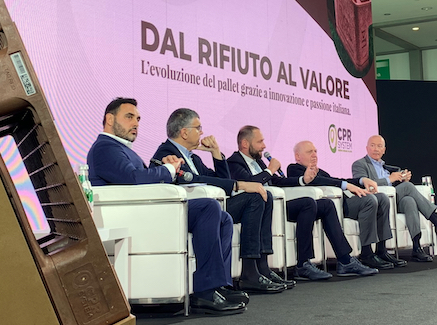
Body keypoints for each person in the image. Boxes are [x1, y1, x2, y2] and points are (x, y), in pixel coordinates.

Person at [87, 98, 245, 315]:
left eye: (138, 118)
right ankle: (205, 291)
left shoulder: (121, 148)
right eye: (129, 117)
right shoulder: (105, 148)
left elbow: (139, 179)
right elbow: (133, 178)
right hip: (134, 215)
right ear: (110, 119)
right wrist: (168, 170)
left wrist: (165, 169)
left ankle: (218, 285)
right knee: (208, 208)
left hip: (147, 210)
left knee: (223, 218)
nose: (136, 123)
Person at [151, 108, 291, 293]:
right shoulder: (167, 153)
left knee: (265, 196)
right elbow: (193, 179)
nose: (202, 132)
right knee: (255, 197)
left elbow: (221, 179)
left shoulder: (193, 157)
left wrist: (216, 153)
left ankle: (261, 266)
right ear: (184, 132)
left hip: (213, 206)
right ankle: (249, 273)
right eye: (198, 128)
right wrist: (239, 185)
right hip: (195, 210)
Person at [227, 125, 378, 280]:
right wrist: (270, 170)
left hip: (276, 204)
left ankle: (345, 260)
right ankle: (303, 264)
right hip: (260, 207)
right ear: (245, 144)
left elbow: (278, 182)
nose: (264, 146)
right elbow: (248, 183)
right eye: (260, 142)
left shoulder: (259, 163)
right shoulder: (234, 162)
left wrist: (302, 180)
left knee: (326, 204)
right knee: (308, 203)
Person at [287, 140, 407, 270]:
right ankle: (367, 253)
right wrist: (346, 185)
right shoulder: (294, 169)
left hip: (344, 202)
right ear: (298, 156)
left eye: (315, 151)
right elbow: (316, 181)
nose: (314, 155)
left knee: (382, 198)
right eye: (309, 152)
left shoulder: (320, 171)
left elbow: (337, 179)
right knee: (369, 200)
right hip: (335, 206)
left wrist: (361, 180)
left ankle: (381, 250)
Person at [352, 135, 437, 262]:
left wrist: (402, 179)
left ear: (384, 150)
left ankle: (417, 248)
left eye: (379, 146)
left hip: (393, 201)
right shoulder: (359, 164)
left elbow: (394, 185)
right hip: (376, 201)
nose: (376, 149)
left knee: (409, 201)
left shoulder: (386, 167)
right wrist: (390, 179)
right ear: (367, 148)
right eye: (372, 146)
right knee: (408, 187)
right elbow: (363, 184)